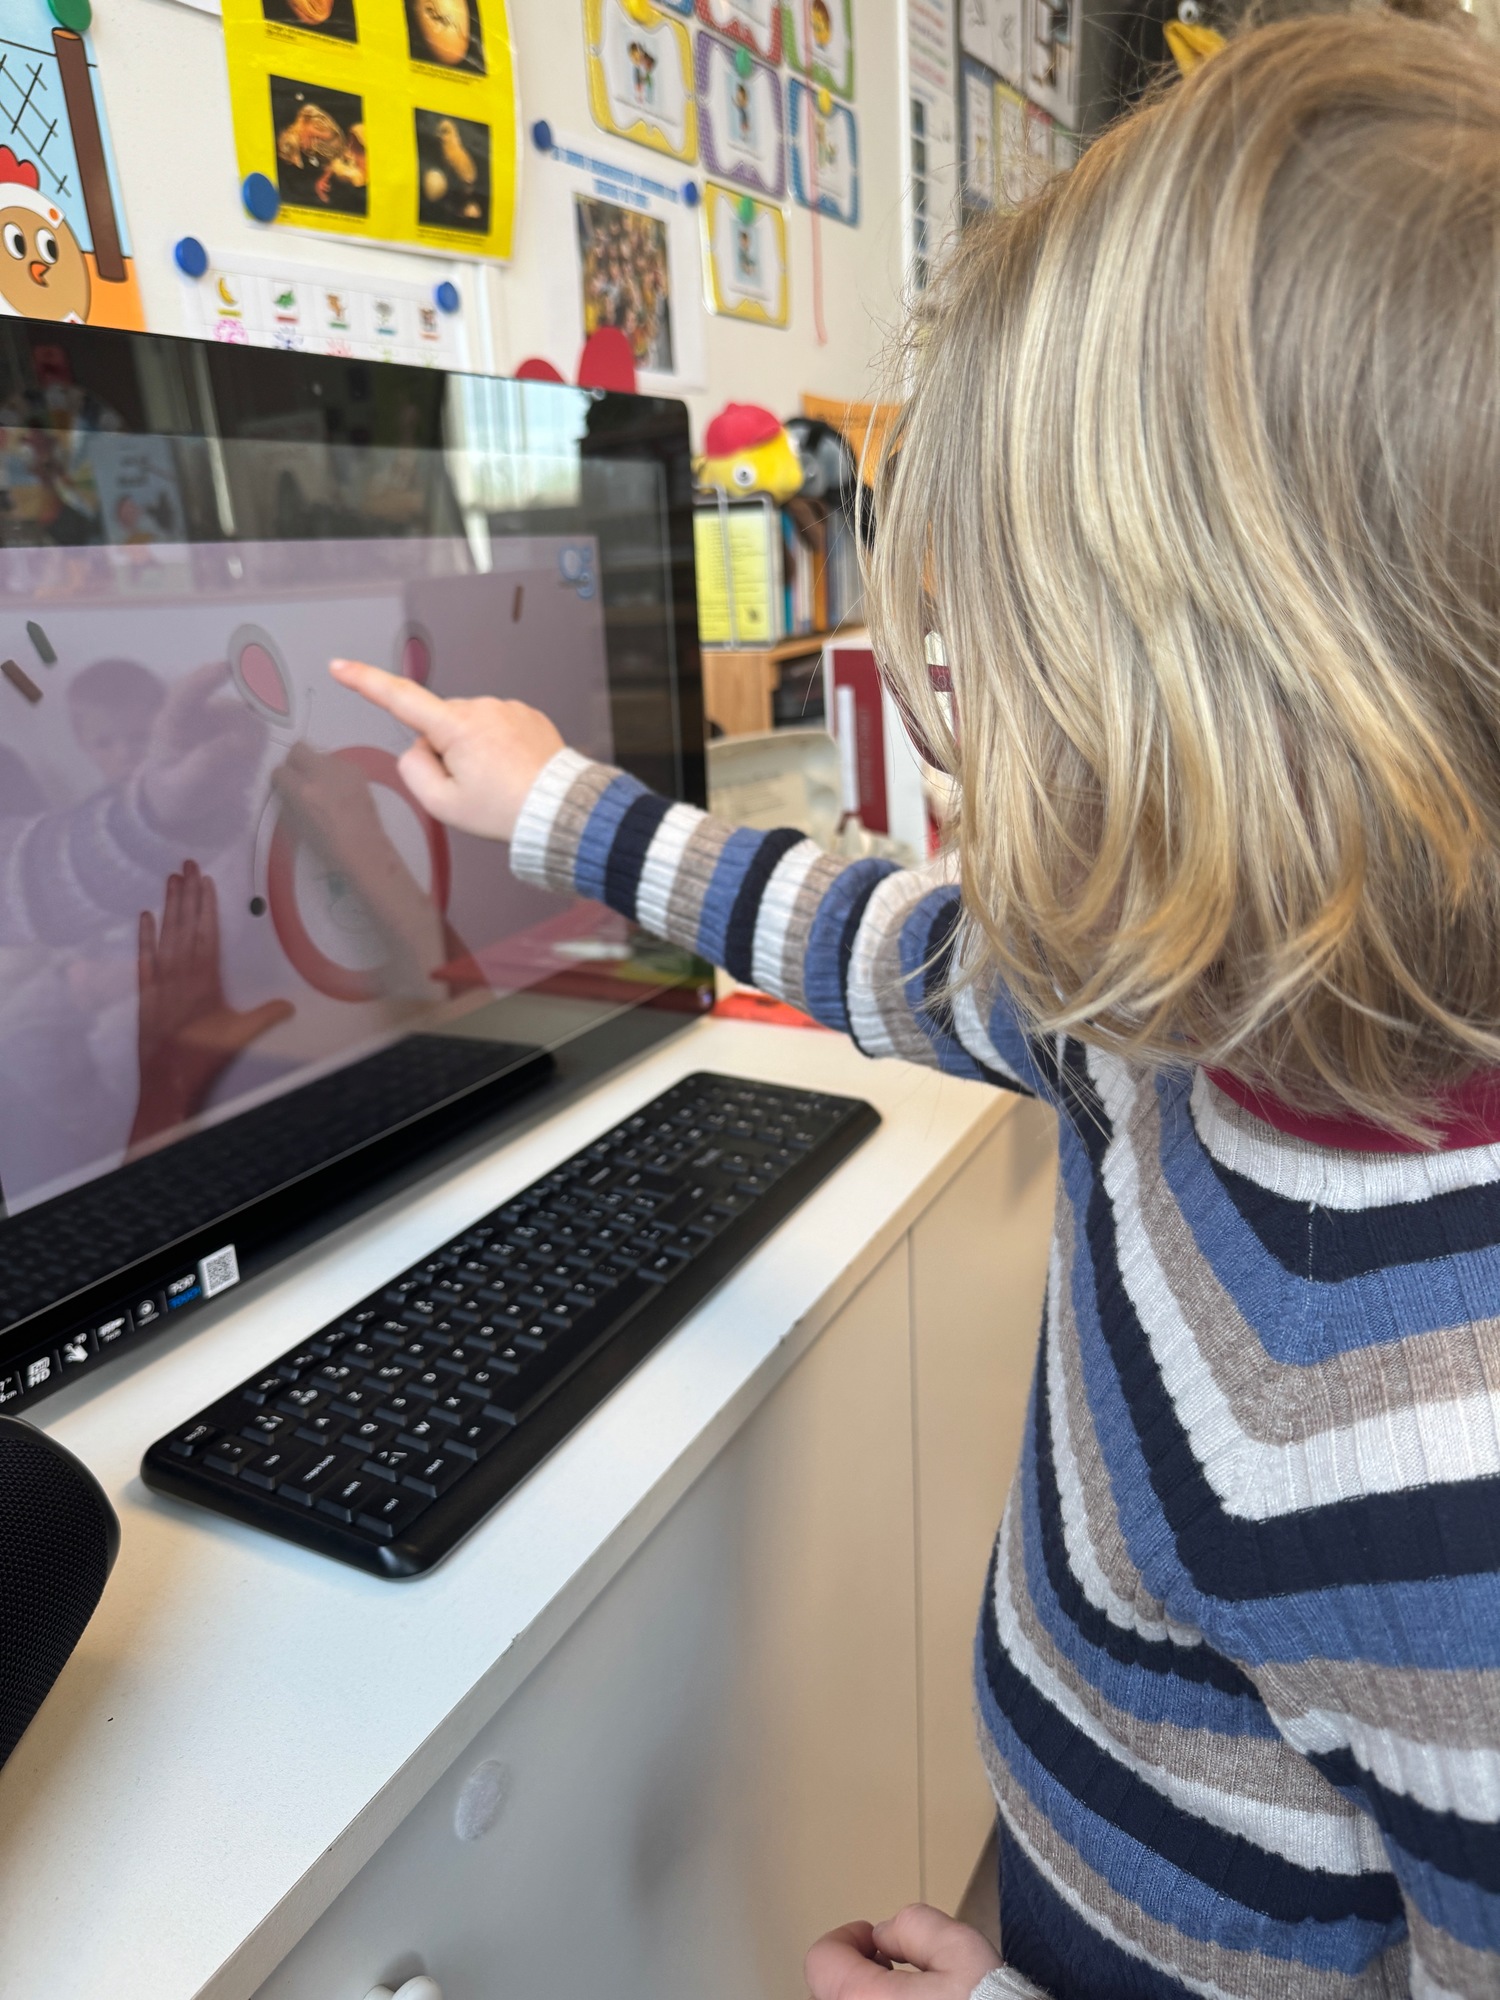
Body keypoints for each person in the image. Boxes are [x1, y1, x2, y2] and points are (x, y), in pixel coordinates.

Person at [332, 13, 1500, 1996]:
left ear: (1248, 725)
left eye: (1007, 656)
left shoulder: (1444, 1488)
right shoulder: (1172, 1017)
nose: (962, 719)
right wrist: (560, 809)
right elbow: (891, 943)